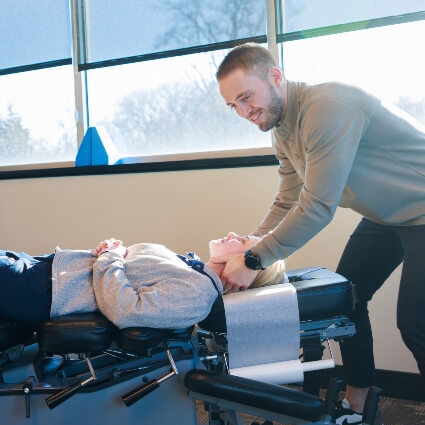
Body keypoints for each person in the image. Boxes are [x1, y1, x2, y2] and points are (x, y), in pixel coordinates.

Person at [214, 42, 425, 423]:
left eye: (247, 97)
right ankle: (360, 407)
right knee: (348, 297)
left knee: (416, 322)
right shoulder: (282, 128)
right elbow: (287, 200)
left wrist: (253, 259)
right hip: (387, 217)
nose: (244, 112)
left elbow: (317, 207)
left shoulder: (327, 107)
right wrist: (248, 244)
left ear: (275, 77)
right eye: (234, 106)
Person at [0, 234, 286, 330]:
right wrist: (109, 253)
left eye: (243, 242)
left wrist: (111, 256)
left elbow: (125, 309)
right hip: (45, 267)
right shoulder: (193, 269)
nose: (233, 234)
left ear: (246, 271)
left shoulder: (197, 295)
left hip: (41, 289)